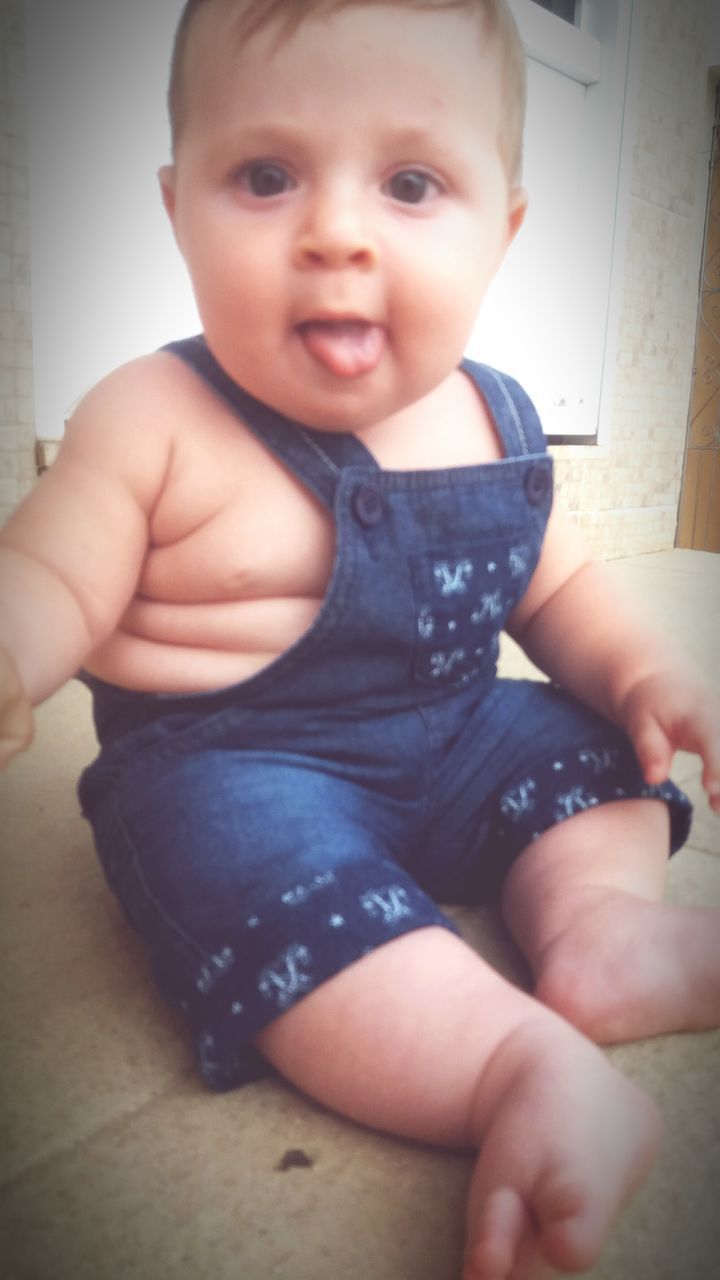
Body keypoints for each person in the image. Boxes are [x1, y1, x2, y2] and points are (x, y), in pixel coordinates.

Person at [1, 0, 719, 1275]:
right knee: (243, 869)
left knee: (591, 740)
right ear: (177, 210)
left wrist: (647, 672)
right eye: (267, 177)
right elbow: (46, 566)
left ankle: (601, 927)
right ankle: (508, 1063)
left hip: (457, 729)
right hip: (237, 769)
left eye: (409, 182)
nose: (335, 234)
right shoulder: (146, 414)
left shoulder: (498, 416)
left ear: (502, 231)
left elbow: (558, 594)